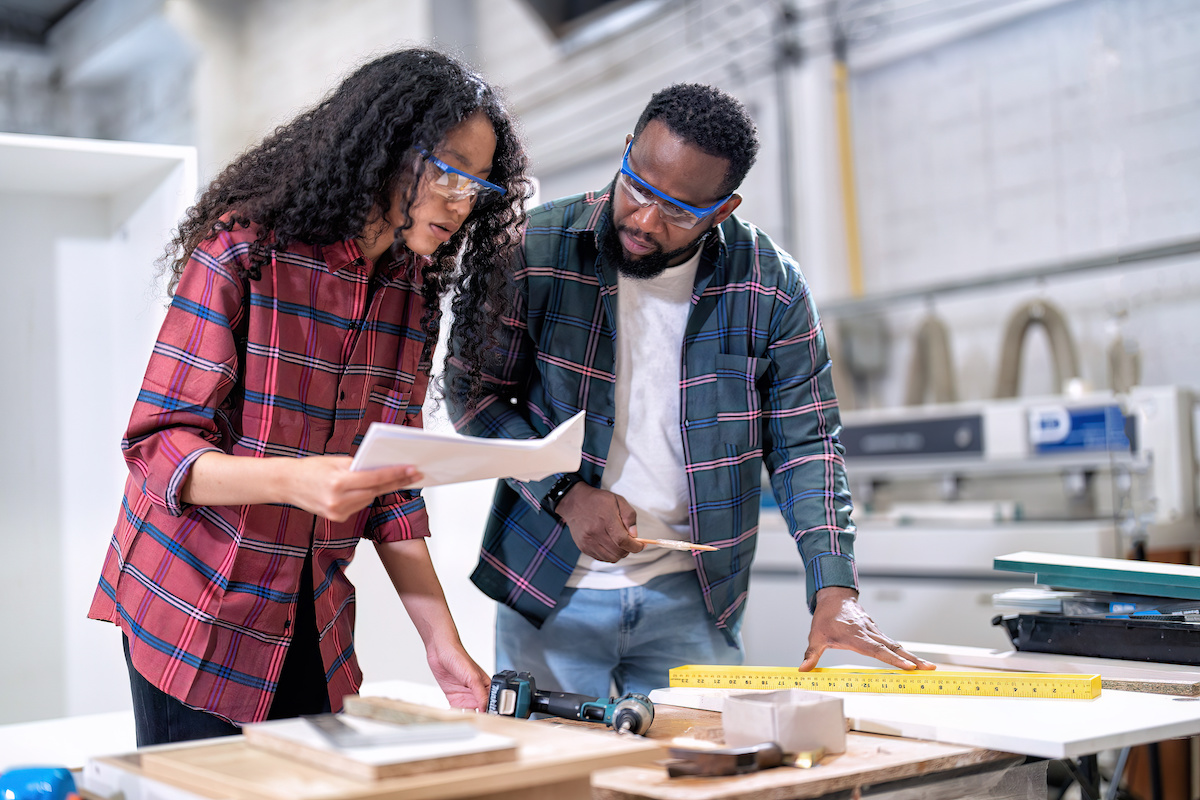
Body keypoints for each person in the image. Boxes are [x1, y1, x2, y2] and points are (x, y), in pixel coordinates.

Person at [88, 48, 529, 745]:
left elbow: (392, 486)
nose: (462, 201)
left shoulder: (412, 296)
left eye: (479, 186)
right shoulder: (245, 250)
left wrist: (442, 645)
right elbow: (157, 447)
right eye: (447, 172)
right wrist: (295, 480)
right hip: (193, 602)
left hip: (308, 608)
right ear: (385, 149)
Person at [445, 83, 934, 699]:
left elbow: (806, 444)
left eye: (678, 211)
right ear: (627, 149)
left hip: (697, 598)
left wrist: (834, 587)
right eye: (639, 187)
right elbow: (472, 395)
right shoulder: (534, 251)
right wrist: (565, 495)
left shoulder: (770, 285)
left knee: (705, 784)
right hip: (547, 586)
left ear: (722, 209)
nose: (645, 221)